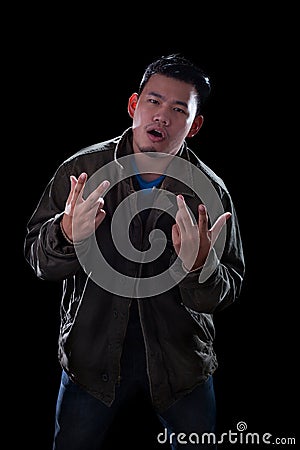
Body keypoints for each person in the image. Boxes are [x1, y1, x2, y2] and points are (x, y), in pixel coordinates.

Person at [24, 54, 245, 449]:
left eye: (179, 110)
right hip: (90, 361)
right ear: (133, 105)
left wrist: (201, 266)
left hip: (181, 365)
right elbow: (38, 261)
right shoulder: (82, 171)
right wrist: (66, 233)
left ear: (194, 125)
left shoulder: (209, 192)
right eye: (154, 102)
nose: (162, 116)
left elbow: (228, 289)